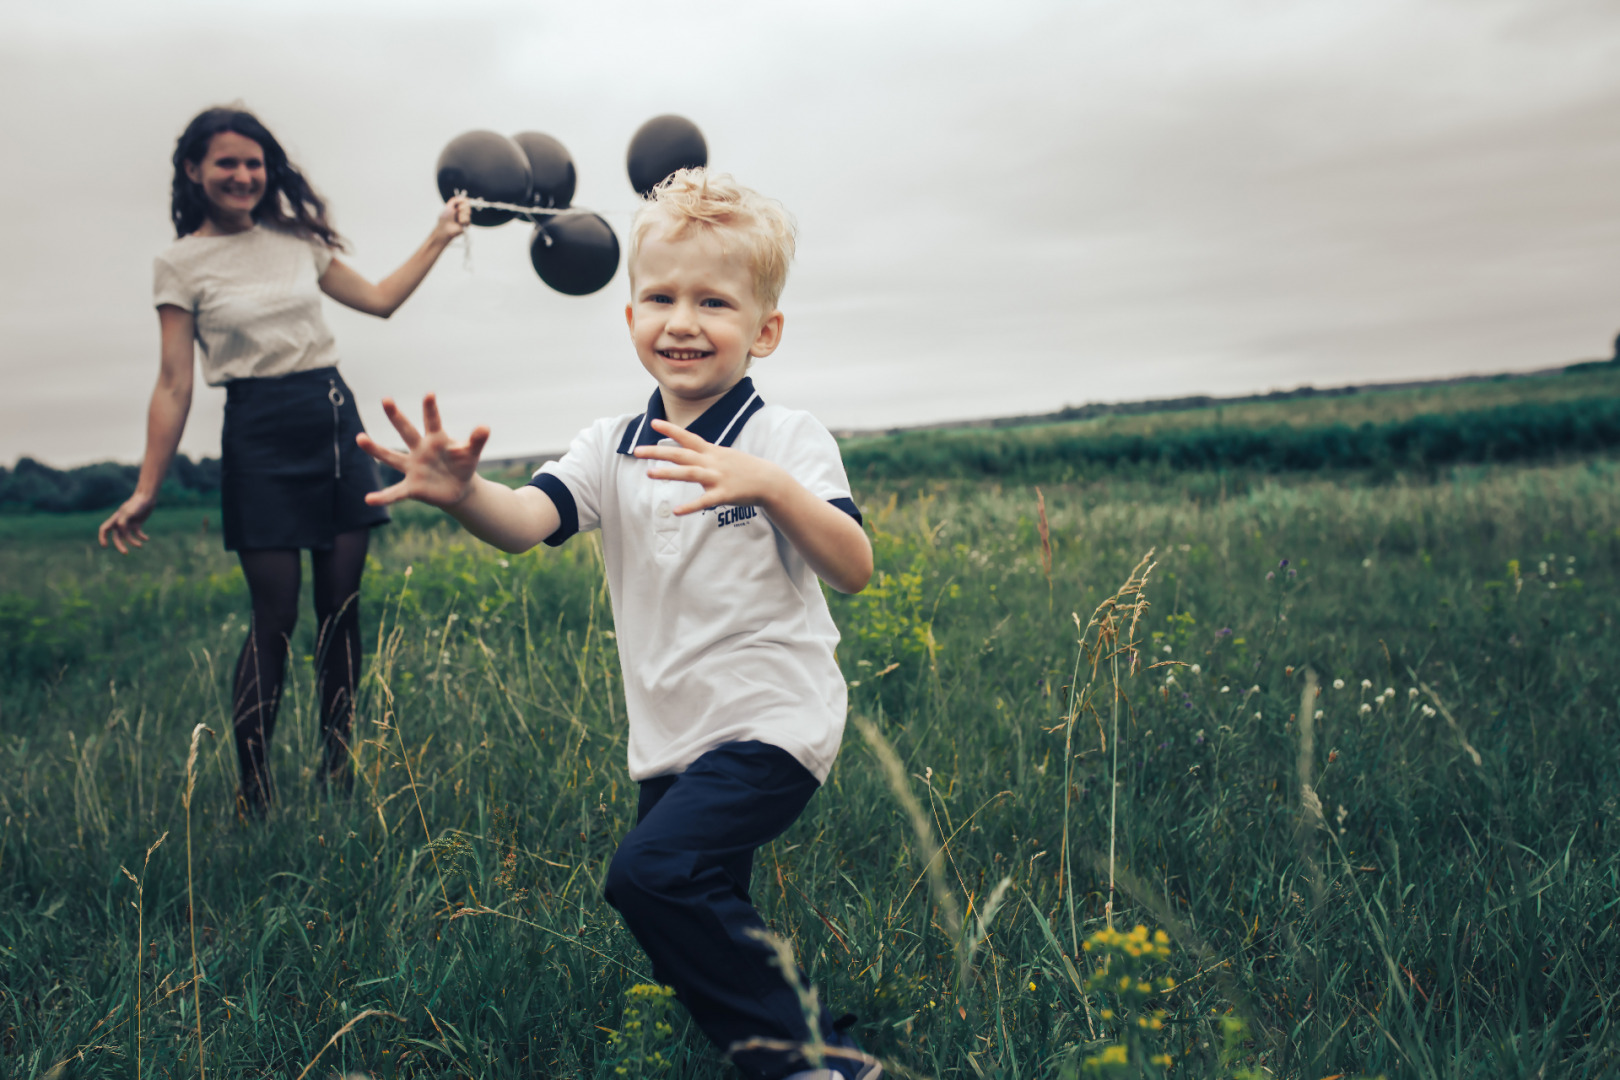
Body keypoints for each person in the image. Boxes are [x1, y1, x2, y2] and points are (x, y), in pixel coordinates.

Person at [360, 169, 880, 1080]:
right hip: (673, 734)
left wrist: (772, 488)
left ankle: (816, 1063)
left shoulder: (785, 440)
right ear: (630, 314)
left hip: (773, 721)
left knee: (650, 876)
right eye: (661, 297)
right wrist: (464, 494)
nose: (682, 320)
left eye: (714, 301)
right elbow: (528, 523)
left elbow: (854, 566)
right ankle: (790, 1026)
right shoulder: (611, 445)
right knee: (699, 900)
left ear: (765, 331)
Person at [97, 106, 471, 815]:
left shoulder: (298, 243)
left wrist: (439, 236)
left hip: (331, 421)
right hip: (257, 435)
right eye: (227, 163)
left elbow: (382, 301)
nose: (242, 175)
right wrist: (148, 486)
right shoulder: (178, 263)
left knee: (341, 612)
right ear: (194, 172)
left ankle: (338, 767)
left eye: (253, 162)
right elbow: (174, 382)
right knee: (274, 616)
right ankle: (255, 790)